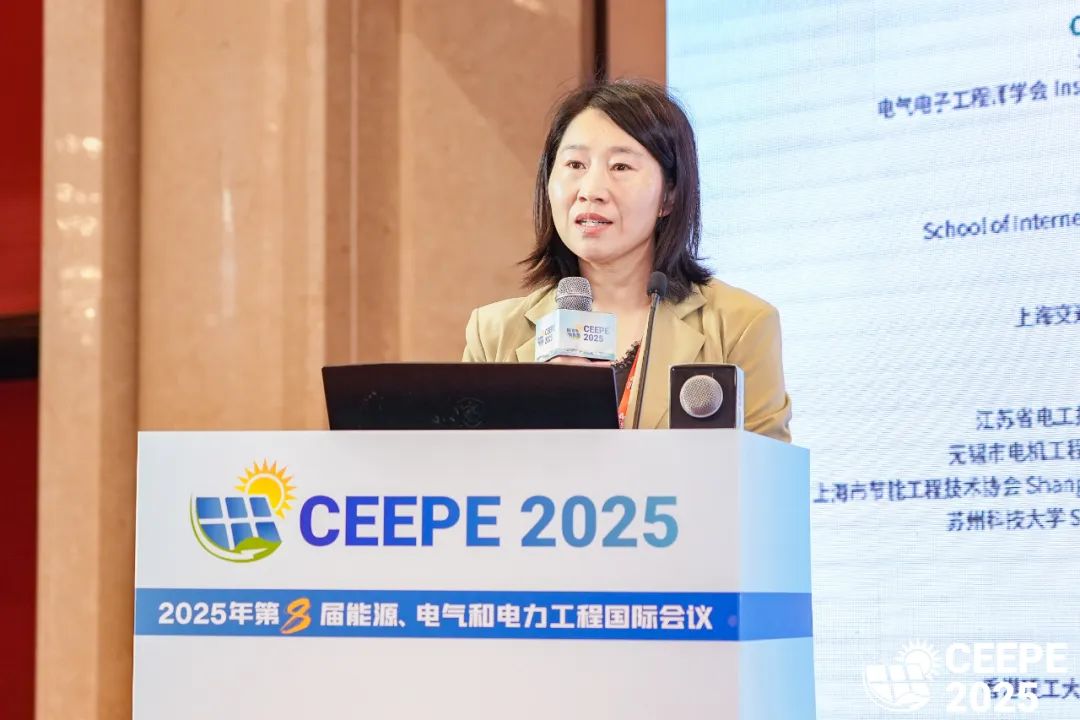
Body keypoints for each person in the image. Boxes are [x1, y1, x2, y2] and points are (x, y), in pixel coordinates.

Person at [461, 78, 792, 442]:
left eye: (620, 167)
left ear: (669, 195)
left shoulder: (740, 325)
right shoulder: (495, 335)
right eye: (575, 164)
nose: (591, 191)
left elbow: (767, 473)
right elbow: (467, 470)